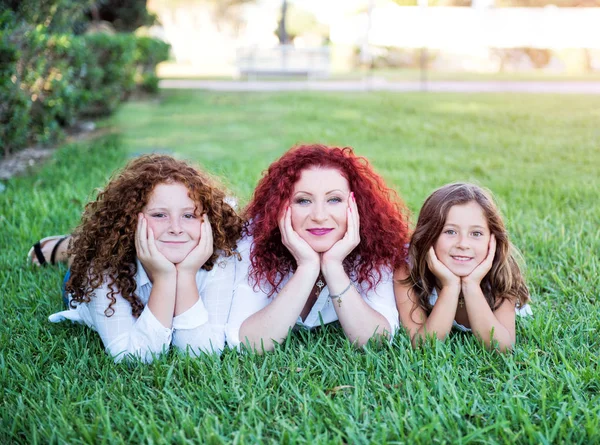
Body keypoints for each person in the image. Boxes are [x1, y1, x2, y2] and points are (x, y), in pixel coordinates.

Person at [48, 155, 243, 362]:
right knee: (81, 255)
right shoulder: (103, 269)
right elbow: (133, 357)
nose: (176, 229)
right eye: (159, 215)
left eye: (189, 215)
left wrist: (185, 275)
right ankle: (69, 246)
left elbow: (202, 352)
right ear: (130, 220)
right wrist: (164, 279)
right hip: (86, 278)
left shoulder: (221, 258)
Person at [226, 144, 411, 352]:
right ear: (281, 206)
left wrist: (333, 266)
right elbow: (247, 343)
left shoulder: (376, 244)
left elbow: (377, 340)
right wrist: (307, 266)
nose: (319, 216)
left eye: (334, 199)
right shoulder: (254, 243)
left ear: (356, 205)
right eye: (303, 200)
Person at [394, 183, 531, 352]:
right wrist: (450, 286)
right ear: (428, 235)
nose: (463, 244)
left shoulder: (501, 270)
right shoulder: (408, 269)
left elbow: (502, 347)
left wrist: (471, 285)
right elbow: (423, 346)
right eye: (450, 231)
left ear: (492, 240)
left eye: (476, 233)